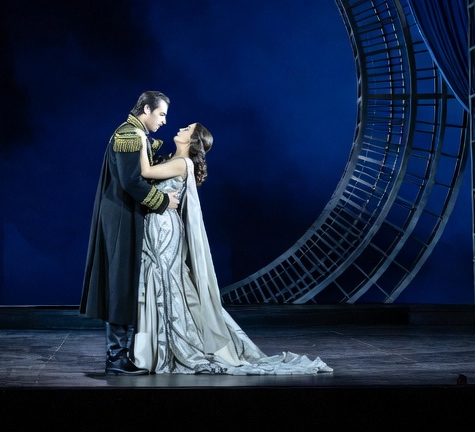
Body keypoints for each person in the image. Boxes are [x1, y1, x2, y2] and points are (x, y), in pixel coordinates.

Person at [130, 122, 333, 375]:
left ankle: (165, 346)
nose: (181, 128)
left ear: (191, 140)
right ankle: (154, 346)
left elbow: (145, 172)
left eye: (188, 129)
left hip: (163, 228)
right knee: (165, 279)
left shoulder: (183, 163)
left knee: (165, 279)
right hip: (159, 224)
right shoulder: (176, 160)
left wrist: (139, 140)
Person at [79, 91, 180, 375]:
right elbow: (130, 181)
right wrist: (163, 201)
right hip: (121, 216)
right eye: (160, 114)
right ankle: (116, 356)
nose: (163, 121)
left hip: (126, 214)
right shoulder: (129, 135)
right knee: (120, 282)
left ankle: (124, 353)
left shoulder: (135, 134)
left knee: (126, 281)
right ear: (146, 109)